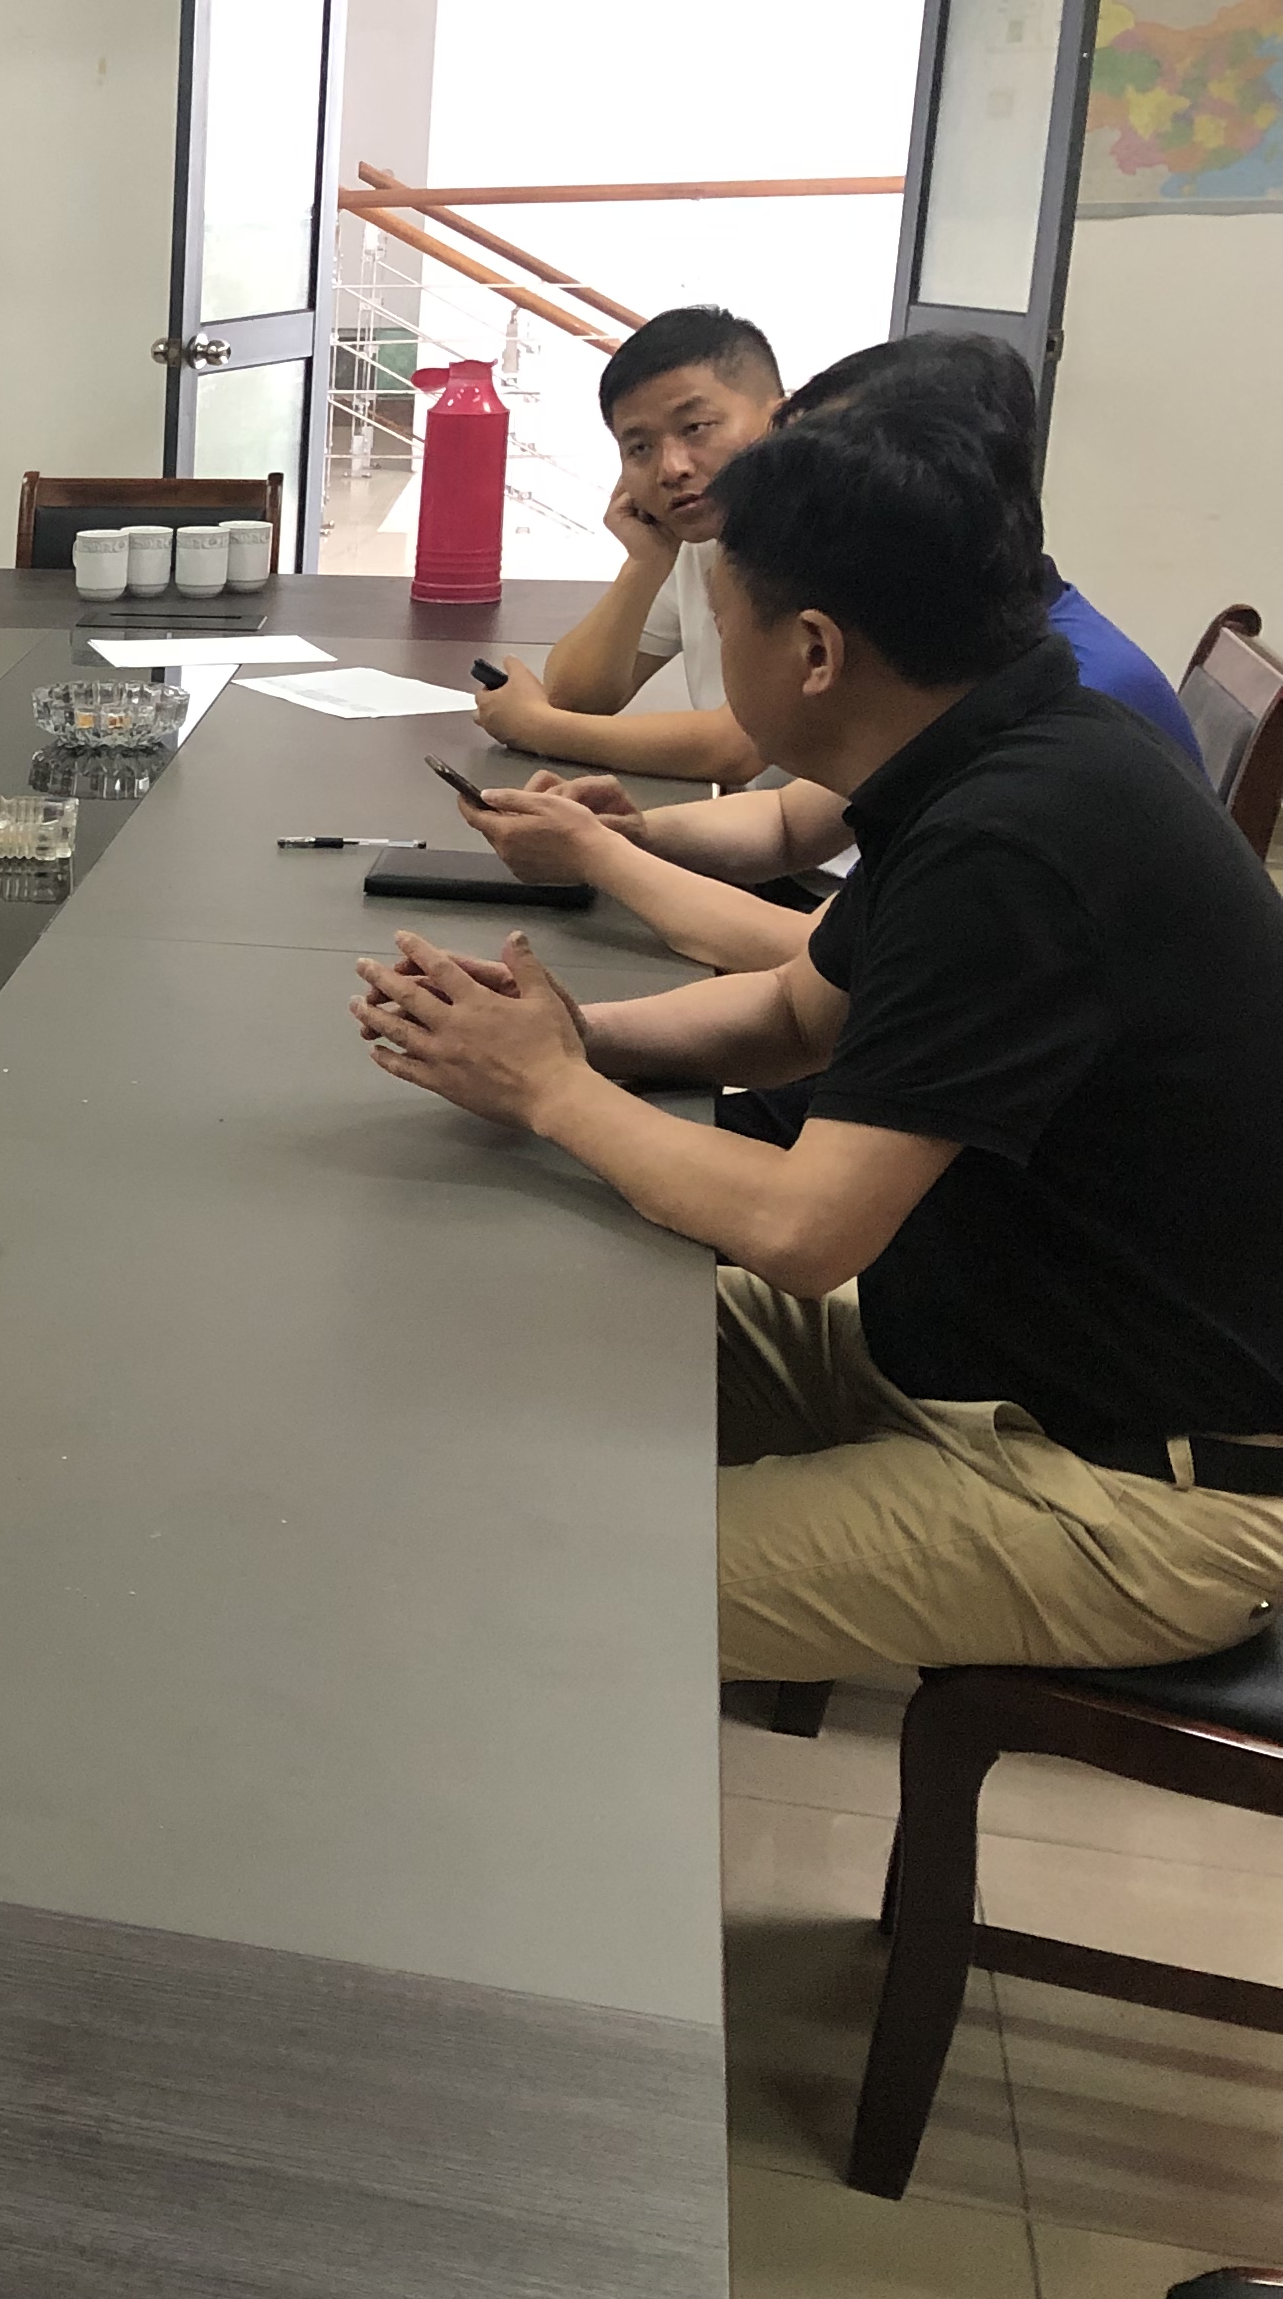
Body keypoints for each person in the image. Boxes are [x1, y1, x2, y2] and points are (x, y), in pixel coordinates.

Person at [351, 396, 1283, 1683]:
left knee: (535, 1583)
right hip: (964, 1353)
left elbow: (805, 1230)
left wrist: (555, 1093)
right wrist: (572, 1037)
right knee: (502, 1333)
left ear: (816, 651)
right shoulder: (1001, 748)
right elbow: (800, 1011)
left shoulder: (1014, 843)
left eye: (725, 614)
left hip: (1131, 1489)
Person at [463, 333, 1210, 974]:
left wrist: (597, 856)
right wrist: (625, 836)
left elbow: (817, 962)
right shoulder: (955, 645)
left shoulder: (1061, 702)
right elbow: (791, 824)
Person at [467, 306, 786, 783]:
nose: (671, 468)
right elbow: (575, 697)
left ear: (780, 419)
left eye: (696, 427)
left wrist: (537, 727)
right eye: (640, 448)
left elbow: (739, 747)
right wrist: (645, 562)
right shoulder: (698, 538)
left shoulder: (829, 536)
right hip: (748, 820)